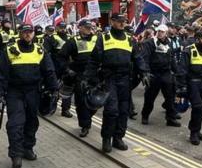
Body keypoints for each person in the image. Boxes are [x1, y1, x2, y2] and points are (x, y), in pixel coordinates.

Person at [0, 24, 59, 168]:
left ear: (33, 34)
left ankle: (27, 148)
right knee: (15, 124)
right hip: (14, 92)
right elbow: (0, 74)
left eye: (30, 32)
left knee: (32, 122)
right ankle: (16, 155)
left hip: (33, 92)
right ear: (20, 34)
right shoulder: (10, 50)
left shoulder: (40, 50)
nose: (28, 35)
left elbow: (49, 71)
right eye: (25, 32)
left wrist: (54, 89)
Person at [84, 13, 149, 153]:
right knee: (111, 110)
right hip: (109, 79)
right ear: (112, 21)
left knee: (124, 111)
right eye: (119, 21)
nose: (122, 24)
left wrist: (144, 72)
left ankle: (118, 138)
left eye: (124, 21)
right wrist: (88, 78)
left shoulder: (130, 39)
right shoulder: (104, 38)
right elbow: (94, 60)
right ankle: (106, 139)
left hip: (125, 79)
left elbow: (138, 58)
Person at [176, 29, 202, 145]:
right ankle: (193, 133)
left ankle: (197, 129)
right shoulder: (188, 51)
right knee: (198, 106)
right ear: (197, 39)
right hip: (192, 83)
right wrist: (182, 86)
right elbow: (182, 69)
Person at [57, 20, 98, 137]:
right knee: (81, 102)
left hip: (95, 75)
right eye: (86, 27)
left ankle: (87, 117)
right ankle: (85, 125)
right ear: (79, 28)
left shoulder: (97, 39)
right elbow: (61, 56)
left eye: (90, 27)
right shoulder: (73, 41)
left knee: (97, 101)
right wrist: (67, 70)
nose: (89, 29)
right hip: (80, 75)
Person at [140, 24, 180, 127]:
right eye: (158, 31)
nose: (159, 33)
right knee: (149, 97)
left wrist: (177, 72)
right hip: (154, 74)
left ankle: (170, 118)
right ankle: (145, 115)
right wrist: (146, 73)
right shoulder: (149, 43)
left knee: (170, 97)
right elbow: (145, 58)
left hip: (166, 73)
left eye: (162, 32)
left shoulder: (169, 43)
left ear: (166, 33)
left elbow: (172, 59)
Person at [43, 23, 73, 118]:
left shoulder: (70, 38)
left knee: (67, 89)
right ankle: (50, 106)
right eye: (60, 27)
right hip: (55, 67)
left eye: (64, 27)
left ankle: (65, 109)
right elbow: (46, 54)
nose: (62, 29)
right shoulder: (50, 38)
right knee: (53, 87)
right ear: (56, 28)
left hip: (67, 68)